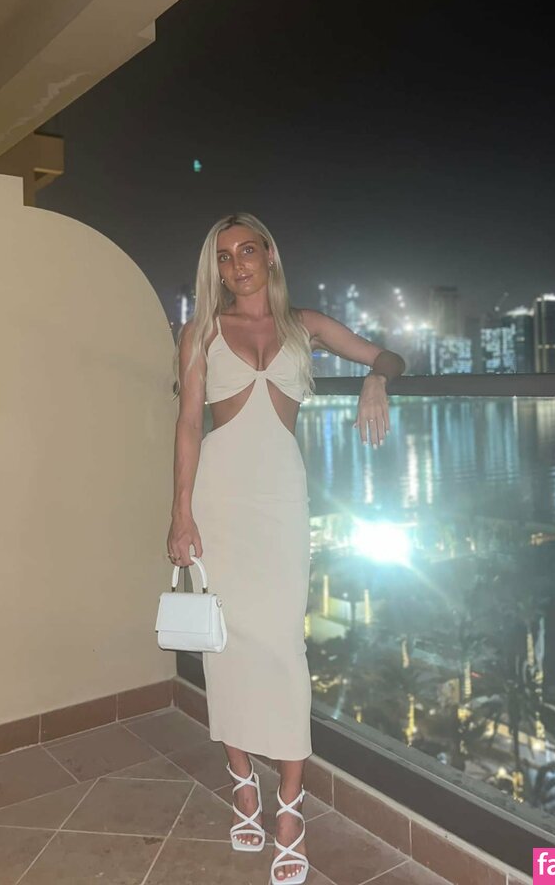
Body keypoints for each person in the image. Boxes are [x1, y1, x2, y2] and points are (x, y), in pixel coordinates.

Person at [169, 212, 405, 883]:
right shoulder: (201, 330)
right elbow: (187, 424)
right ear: (216, 269)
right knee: (226, 647)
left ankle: (291, 804)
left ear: (269, 255)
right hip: (218, 500)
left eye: (247, 250)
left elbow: (387, 355)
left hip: (281, 502)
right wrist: (180, 513)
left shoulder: (307, 325)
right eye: (224, 257)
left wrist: (377, 379)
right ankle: (243, 782)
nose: (236, 265)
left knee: (284, 648)